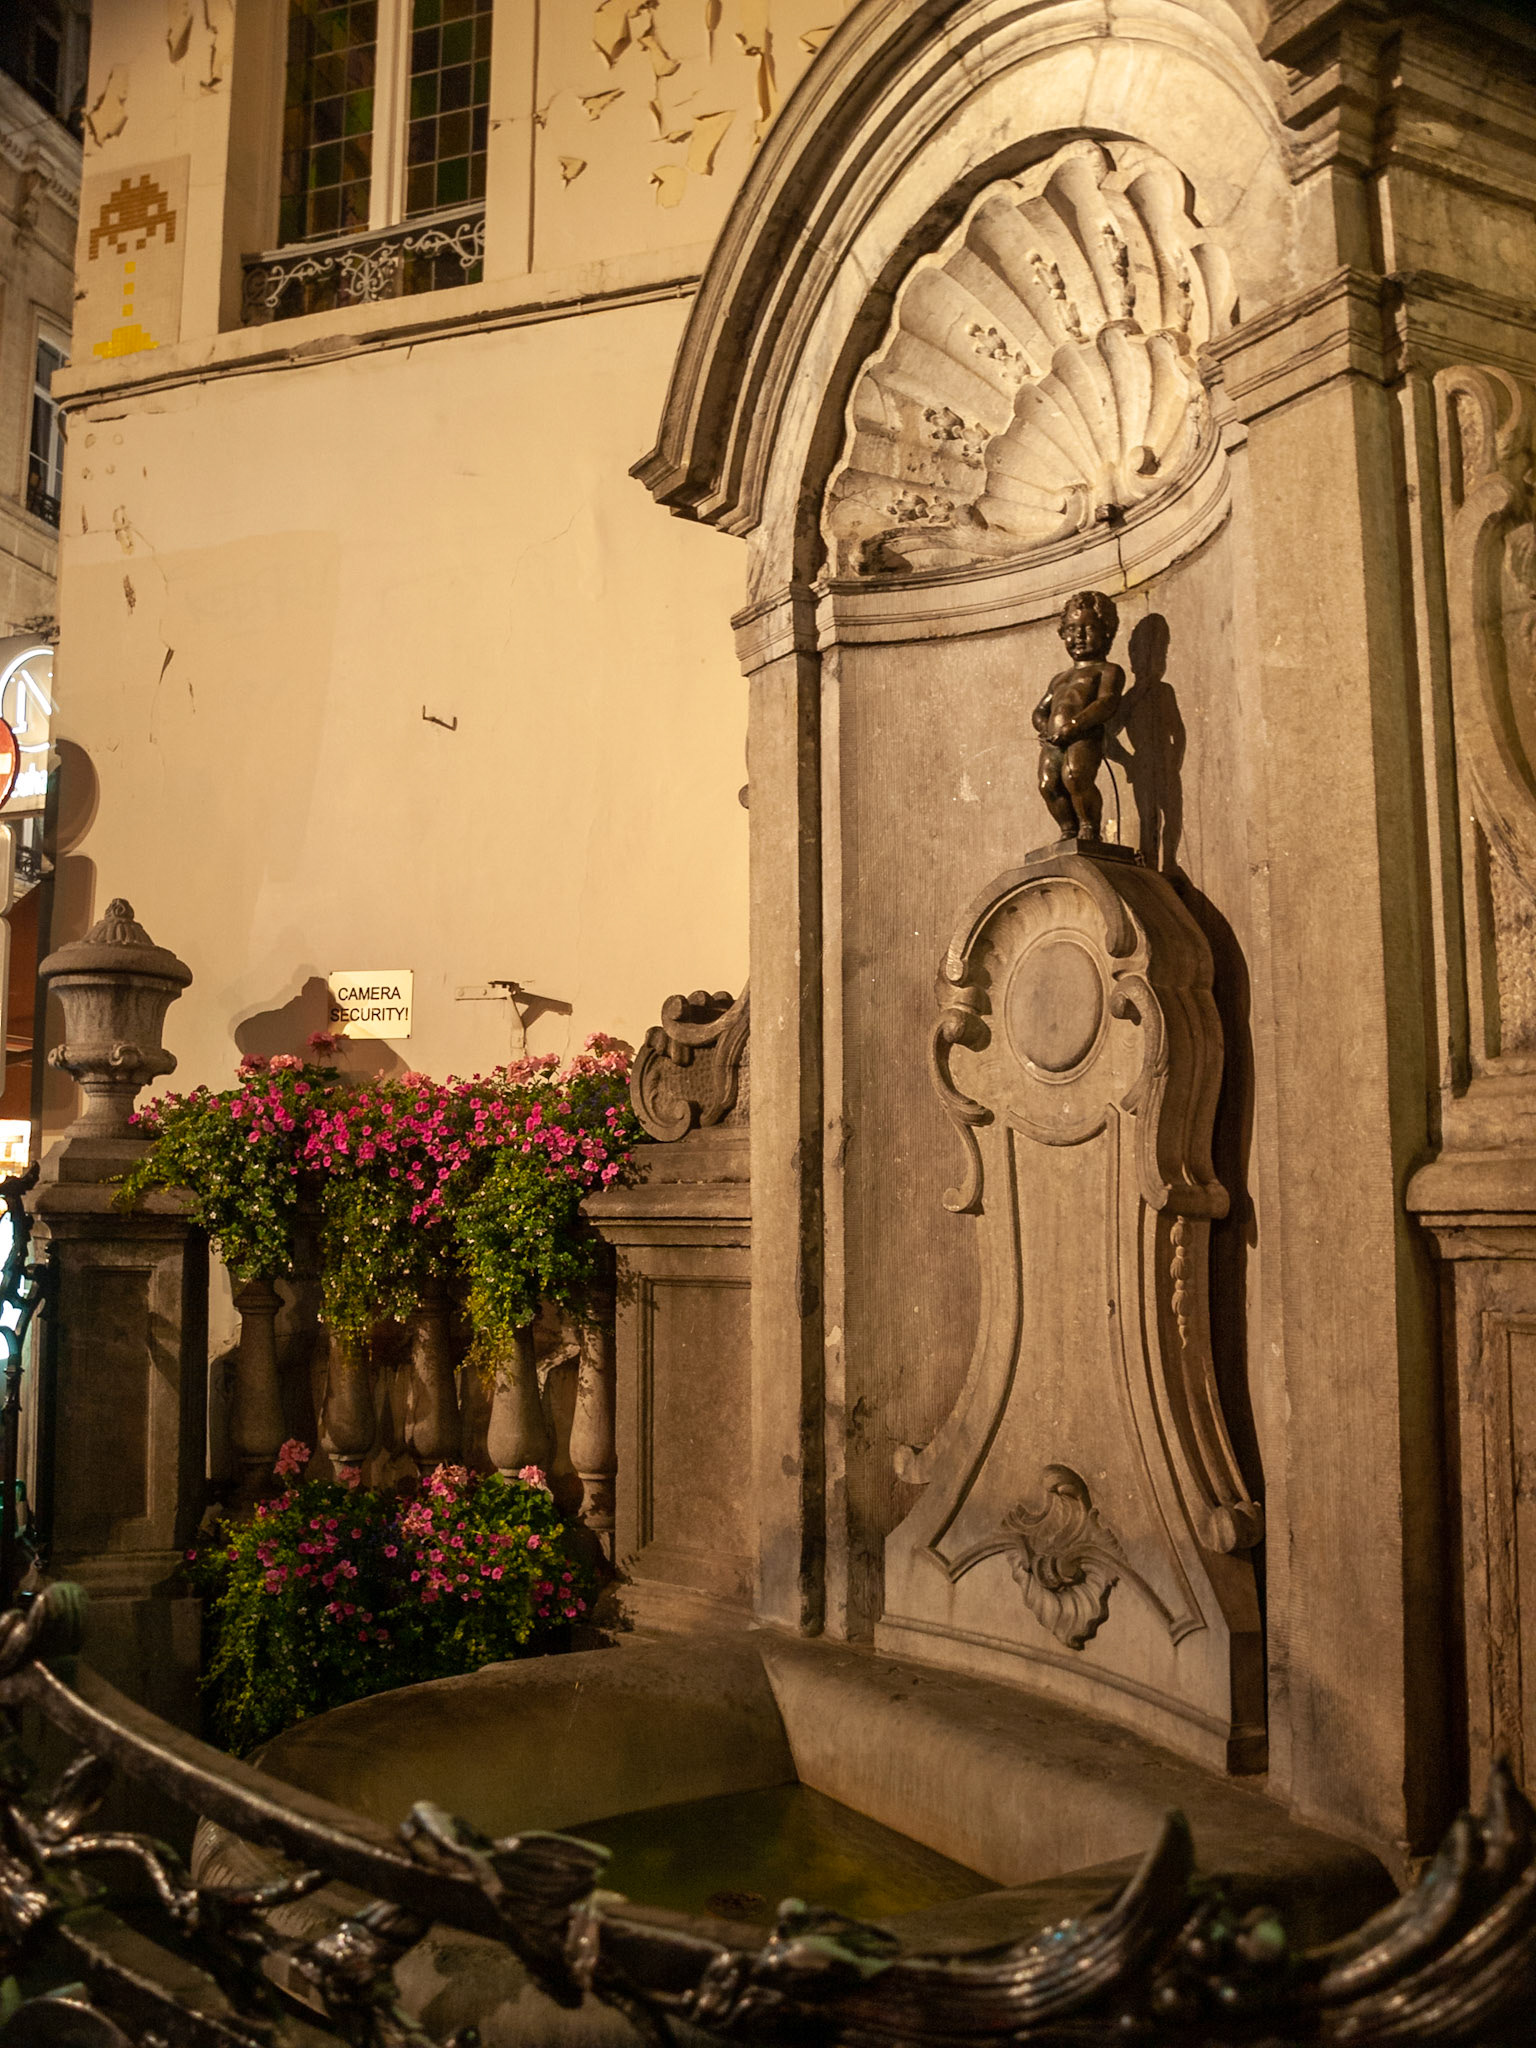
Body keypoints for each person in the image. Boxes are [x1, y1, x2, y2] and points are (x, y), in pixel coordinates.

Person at [1032, 590, 1125, 841]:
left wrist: (1075, 725)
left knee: (1075, 776)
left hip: (1084, 735)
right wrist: (1043, 728)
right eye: (1072, 629)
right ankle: (1067, 830)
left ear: (1106, 631)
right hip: (1053, 740)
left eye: (1088, 628)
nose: (1079, 637)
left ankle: (1089, 829)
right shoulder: (1060, 679)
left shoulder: (1108, 670)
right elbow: (1041, 710)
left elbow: (1107, 702)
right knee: (1048, 784)